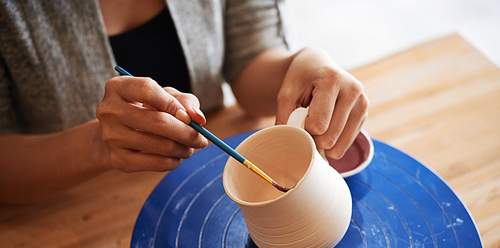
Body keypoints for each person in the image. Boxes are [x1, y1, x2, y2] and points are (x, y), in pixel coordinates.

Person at [0, 0, 368, 204]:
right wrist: (97, 145)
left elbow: (250, 58)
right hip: (67, 210)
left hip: (196, 183)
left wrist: (305, 65)